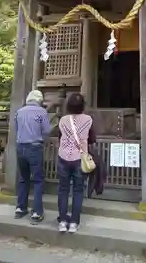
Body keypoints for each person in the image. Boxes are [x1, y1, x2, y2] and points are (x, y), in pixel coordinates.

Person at [57, 93, 95, 233]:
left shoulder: (62, 120)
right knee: (78, 191)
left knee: (63, 190)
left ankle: (62, 221)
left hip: (63, 157)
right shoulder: (88, 120)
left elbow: (60, 136)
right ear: (82, 105)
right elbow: (92, 138)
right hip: (80, 158)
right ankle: (74, 223)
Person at [14, 89, 50, 224]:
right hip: (34, 147)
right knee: (38, 180)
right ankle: (36, 212)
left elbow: (17, 130)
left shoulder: (19, 111)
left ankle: (20, 208)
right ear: (39, 100)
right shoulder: (42, 112)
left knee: (23, 178)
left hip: (20, 146)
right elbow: (46, 130)